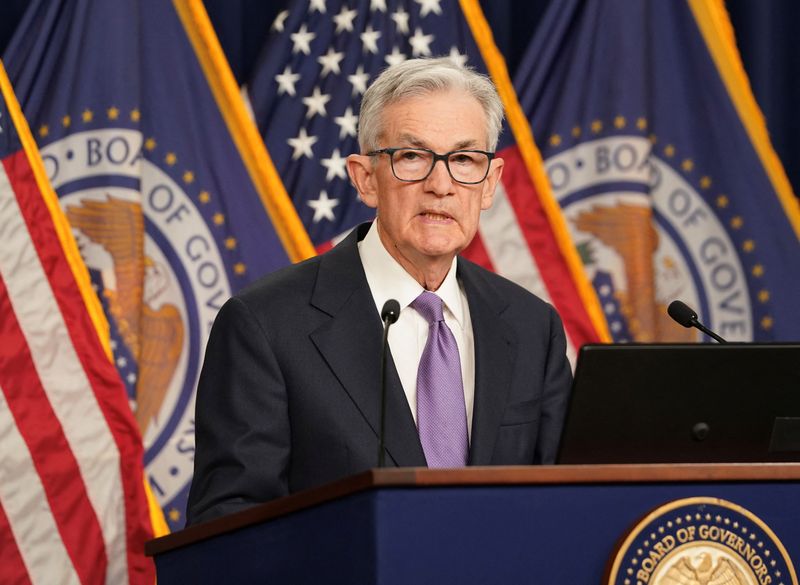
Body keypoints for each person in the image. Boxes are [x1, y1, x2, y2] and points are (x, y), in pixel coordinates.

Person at [186, 57, 572, 525]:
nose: (441, 185)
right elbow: (229, 523)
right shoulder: (265, 325)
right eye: (412, 157)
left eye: (465, 160)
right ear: (365, 178)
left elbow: (563, 502)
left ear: (489, 184)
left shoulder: (532, 325)